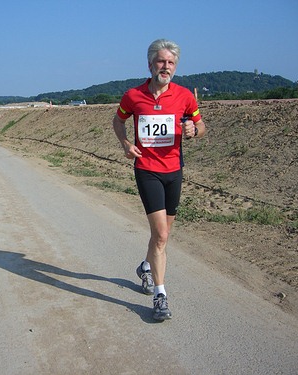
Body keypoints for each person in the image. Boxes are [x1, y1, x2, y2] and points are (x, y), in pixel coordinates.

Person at [112, 39, 206, 321]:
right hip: (147, 169)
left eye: (171, 63)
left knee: (161, 235)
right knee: (162, 236)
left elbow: (201, 126)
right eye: (161, 61)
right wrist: (126, 143)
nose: (166, 67)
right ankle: (160, 296)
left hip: (174, 170)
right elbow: (118, 121)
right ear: (150, 64)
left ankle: (145, 266)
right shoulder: (133, 95)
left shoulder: (185, 96)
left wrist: (193, 130)